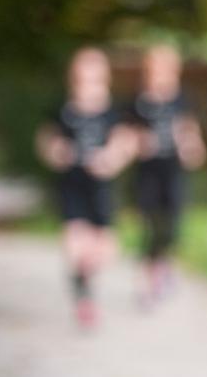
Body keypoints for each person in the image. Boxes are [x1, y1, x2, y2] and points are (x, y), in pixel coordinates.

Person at [35, 47, 137, 328]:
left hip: (101, 188)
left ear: (104, 79)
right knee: (74, 243)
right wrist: (56, 152)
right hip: (72, 185)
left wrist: (111, 159)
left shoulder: (113, 113)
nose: (86, 85)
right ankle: (84, 298)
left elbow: (126, 142)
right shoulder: (63, 111)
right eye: (81, 78)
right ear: (73, 79)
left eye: (92, 78)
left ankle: (86, 276)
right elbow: (46, 141)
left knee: (105, 250)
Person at [128, 44, 206, 306]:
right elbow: (126, 138)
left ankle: (164, 265)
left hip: (173, 173)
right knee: (150, 225)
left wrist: (192, 148)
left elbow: (191, 133)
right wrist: (141, 143)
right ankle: (148, 280)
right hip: (148, 174)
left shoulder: (181, 101)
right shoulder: (139, 103)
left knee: (172, 225)